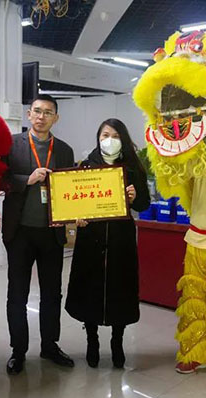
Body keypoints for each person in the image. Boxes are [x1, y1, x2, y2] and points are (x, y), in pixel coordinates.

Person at [65, 118, 150, 368]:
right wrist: (76, 216)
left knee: (120, 288)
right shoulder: (86, 167)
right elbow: (74, 201)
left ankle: (117, 341)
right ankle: (91, 340)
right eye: (105, 135)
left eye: (115, 135)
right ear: (98, 138)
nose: (109, 140)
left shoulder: (133, 168)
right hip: (90, 238)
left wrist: (135, 197)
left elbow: (144, 204)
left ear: (123, 139)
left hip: (120, 238)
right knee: (89, 287)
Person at [2, 94, 75, 375]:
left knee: (52, 294)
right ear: (29, 114)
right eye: (37, 111)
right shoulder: (11, 145)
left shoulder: (64, 150)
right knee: (17, 294)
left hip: (51, 233)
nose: (41, 116)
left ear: (55, 118)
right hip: (20, 231)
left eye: (48, 112)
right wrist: (27, 179)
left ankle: (50, 346)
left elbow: (70, 188)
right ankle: (18, 350)